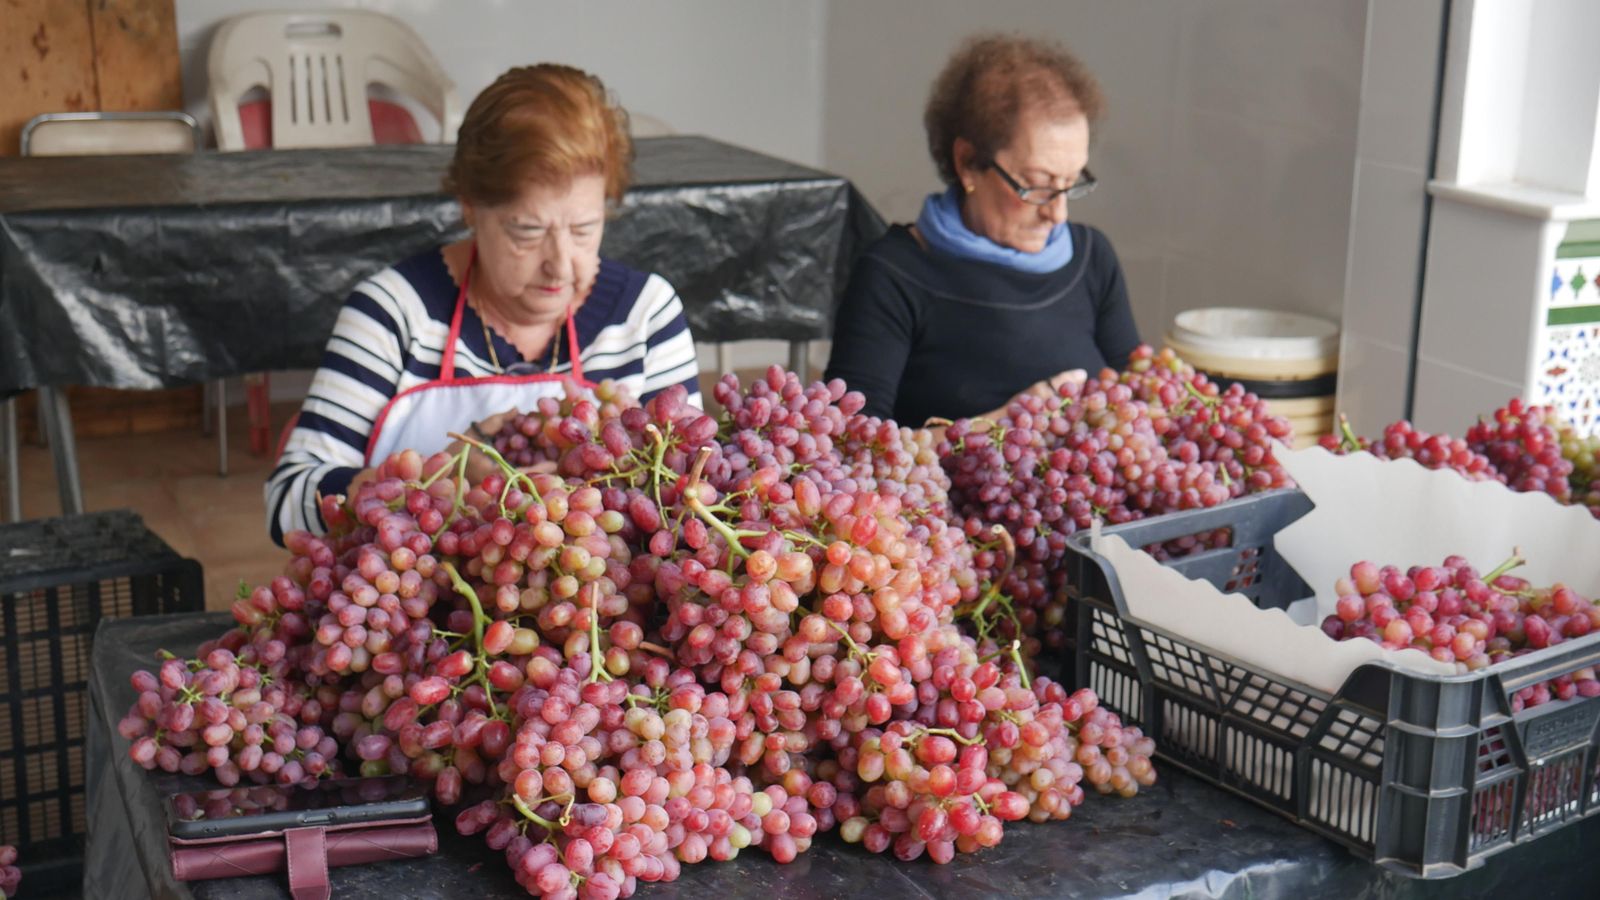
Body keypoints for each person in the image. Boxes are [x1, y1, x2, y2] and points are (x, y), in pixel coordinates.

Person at [267, 65, 701, 544]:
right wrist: (440, 483)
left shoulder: (645, 314)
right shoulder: (395, 314)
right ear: (470, 206)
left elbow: (692, 500)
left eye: (583, 230)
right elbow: (286, 503)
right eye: (527, 231)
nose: (560, 266)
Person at [824, 34, 1139, 427]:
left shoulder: (1093, 258)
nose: (1058, 214)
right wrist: (994, 428)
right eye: (1038, 185)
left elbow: (1139, 399)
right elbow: (850, 446)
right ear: (968, 162)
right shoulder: (892, 275)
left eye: (1073, 182)